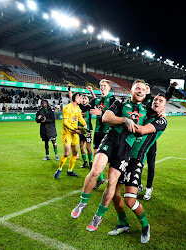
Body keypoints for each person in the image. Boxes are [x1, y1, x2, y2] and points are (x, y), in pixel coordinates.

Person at [70, 80, 147, 230]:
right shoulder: (120, 103)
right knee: (96, 170)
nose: (140, 91)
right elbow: (106, 118)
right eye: (137, 88)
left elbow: (154, 119)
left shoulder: (147, 110)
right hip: (111, 138)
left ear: (145, 93)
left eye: (143, 89)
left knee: (112, 181)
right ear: (131, 91)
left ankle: (98, 216)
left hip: (126, 147)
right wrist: (124, 120)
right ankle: (82, 203)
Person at [108, 93, 168, 244]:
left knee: (129, 200)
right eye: (155, 100)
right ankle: (123, 224)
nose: (157, 102)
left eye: (161, 101)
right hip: (124, 154)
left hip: (136, 160)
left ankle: (145, 226)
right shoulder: (145, 111)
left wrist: (123, 122)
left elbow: (141, 130)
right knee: (114, 193)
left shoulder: (162, 120)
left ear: (165, 106)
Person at [139, 81, 177, 200]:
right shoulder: (143, 104)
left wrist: (171, 87)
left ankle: (148, 188)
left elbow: (166, 97)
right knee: (138, 163)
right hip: (138, 140)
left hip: (150, 141)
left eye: (146, 87)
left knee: (150, 165)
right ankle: (138, 184)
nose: (157, 102)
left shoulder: (156, 108)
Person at [54, 93, 87, 179]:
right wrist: (74, 130)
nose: (82, 100)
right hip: (67, 133)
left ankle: (70, 170)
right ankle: (59, 169)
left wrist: (85, 124)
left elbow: (80, 117)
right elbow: (65, 123)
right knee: (66, 153)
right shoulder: (67, 108)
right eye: (81, 98)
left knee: (75, 153)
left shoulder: (78, 108)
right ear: (76, 98)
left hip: (75, 134)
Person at [68, 85, 96, 169]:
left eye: (85, 98)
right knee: (81, 146)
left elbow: (95, 99)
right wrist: (69, 89)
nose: (83, 100)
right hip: (79, 129)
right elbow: (71, 98)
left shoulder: (90, 106)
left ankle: (91, 162)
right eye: (82, 98)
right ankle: (85, 162)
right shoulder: (78, 106)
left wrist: (91, 91)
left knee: (88, 147)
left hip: (87, 130)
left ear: (88, 100)